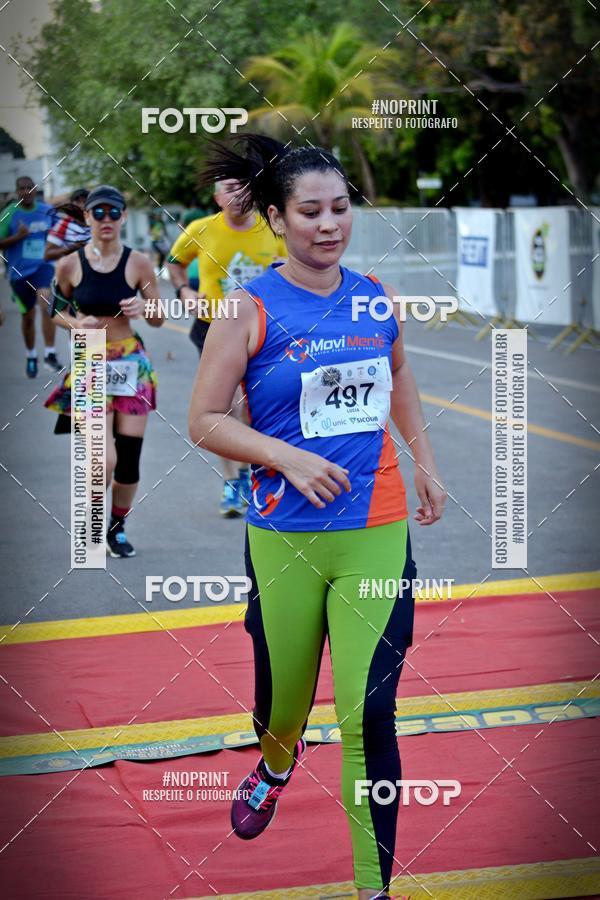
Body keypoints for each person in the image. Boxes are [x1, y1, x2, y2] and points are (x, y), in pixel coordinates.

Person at [188, 135, 447, 900]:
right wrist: (287, 457)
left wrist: (425, 459)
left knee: (370, 714)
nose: (329, 224)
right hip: (286, 538)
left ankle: (375, 887)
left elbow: (399, 372)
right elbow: (204, 419)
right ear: (276, 217)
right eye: (310, 211)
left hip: (377, 528)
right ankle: (274, 766)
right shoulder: (248, 307)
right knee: (284, 705)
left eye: (340, 208)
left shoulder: (374, 296)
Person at [45, 185, 163, 558]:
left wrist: (143, 309)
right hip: (91, 359)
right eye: (98, 212)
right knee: (103, 459)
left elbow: (159, 317)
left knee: (128, 460)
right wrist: (76, 323)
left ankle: (117, 528)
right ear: (87, 217)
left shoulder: (138, 263)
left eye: (114, 212)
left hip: (131, 361)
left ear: (124, 216)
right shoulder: (70, 264)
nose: (106, 219)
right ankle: (92, 525)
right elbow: (56, 310)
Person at [167, 178, 286, 517]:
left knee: (254, 404)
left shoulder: (272, 228)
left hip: (264, 329)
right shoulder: (200, 229)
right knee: (229, 404)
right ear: (217, 197)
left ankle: (253, 471)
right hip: (214, 327)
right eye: (230, 189)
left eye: (245, 187)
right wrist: (184, 292)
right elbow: (174, 262)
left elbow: (291, 267)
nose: (239, 194)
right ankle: (234, 481)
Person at [0, 176, 61, 377]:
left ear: (35, 189)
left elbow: (62, 233)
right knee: (28, 317)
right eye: (22, 188)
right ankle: (31, 355)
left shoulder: (47, 211)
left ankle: (50, 353)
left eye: (29, 188)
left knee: (46, 301)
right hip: (18, 273)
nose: (26, 191)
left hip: (43, 267)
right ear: (17, 191)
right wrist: (18, 237)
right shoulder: (9, 214)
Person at [44, 188, 91, 261]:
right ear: (71, 204)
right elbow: (47, 255)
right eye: (78, 202)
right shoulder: (64, 224)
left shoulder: (98, 222)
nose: (81, 206)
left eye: (85, 202)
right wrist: (71, 248)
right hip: (73, 266)